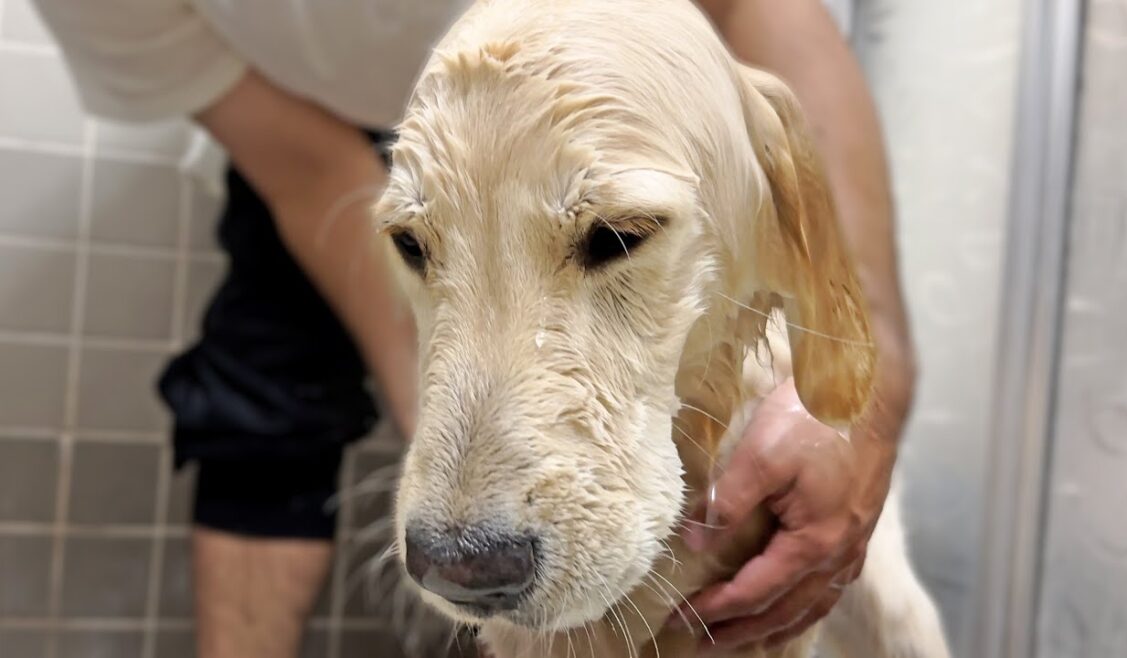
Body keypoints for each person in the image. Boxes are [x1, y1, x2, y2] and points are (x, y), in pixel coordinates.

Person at [30, 0, 916, 656]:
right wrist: (453, 420)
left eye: (615, 239)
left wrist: (861, 393)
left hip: (606, 78)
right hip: (357, 130)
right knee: (258, 395)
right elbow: (308, 175)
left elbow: (771, 25)